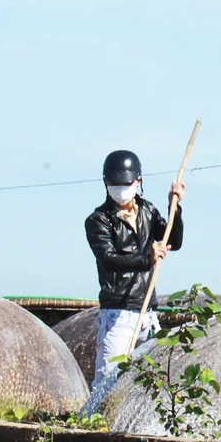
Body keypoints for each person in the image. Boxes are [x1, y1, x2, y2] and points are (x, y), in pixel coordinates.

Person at [85, 150, 185, 393]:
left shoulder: (147, 211)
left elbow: (174, 240)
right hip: (117, 313)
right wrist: (146, 259)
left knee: (150, 382)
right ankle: (96, 426)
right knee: (107, 382)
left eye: (126, 183)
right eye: (114, 183)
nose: (120, 188)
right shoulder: (98, 220)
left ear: (138, 182)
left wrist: (175, 206)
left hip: (146, 310)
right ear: (106, 182)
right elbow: (109, 260)